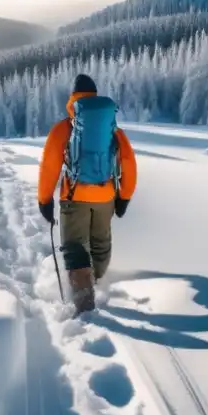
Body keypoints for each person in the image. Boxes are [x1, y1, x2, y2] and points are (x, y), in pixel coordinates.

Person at [38, 74, 137, 315]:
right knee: (100, 243)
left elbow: (50, 165)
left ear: (73, 98)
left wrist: (44, 200)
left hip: (74, 197)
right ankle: (97, 282)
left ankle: (85, 306)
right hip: (105, 196)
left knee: (74, 248)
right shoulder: (112, 129)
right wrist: (123, 196)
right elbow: (128, 163)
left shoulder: (64, 128)